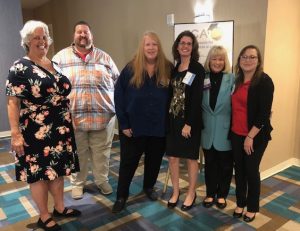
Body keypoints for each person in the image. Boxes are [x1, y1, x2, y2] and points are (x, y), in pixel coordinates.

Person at [6, 20, 81, 231]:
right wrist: (15, 134)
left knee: (57, 170)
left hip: (60, 127)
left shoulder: (53, 64)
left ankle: (59, 207)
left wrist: (70, 118)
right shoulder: (20, 67)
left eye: (44, 37)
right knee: (39, 173)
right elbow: (13, 102)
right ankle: (44, 215)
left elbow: (61, 96)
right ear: (27, 41)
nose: (41, 41)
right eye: (36, 37)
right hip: (35, 131)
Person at [53, 21, 119, 199]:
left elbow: (118, 84)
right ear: (74, 35)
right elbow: (51, 88)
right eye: (79, 32)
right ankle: (77, 184)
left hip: (103, 118)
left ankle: (101, 180)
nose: (83, 35)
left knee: (102, 154)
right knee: (78, 154)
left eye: (86, 32)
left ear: (91, 36)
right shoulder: (60, 58)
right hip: (74, 119)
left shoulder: (105, 58)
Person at [112, 31, 173, 213]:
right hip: (133, 128)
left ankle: (148, 187)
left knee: (154, 161)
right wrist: (123, 124)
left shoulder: (168, 68)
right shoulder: (130, 68)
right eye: (148, 44)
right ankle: (121, 195)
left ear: (159, 47)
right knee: (128, 163)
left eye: (154, 44)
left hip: (158, 126)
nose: (151, 48)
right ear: (142, 47)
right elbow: (119, 96)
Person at [231, 45, 274, 222]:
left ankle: (252, 207)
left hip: (255, 136)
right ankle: (240, 202)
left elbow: (264, 114)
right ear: (239, 60)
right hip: (235, 133)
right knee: (239, 171)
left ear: (258, 61)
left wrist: (250, 137)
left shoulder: (264, 81)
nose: (247, 60)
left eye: (252, 57)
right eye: (244, 57)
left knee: (251, 170)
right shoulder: (237, 80)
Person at [166, 31, 205, 211]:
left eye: (189, 43)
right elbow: (171, 95)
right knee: (173, 157)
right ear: (177, 46)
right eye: (182, 43)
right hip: (173, 120)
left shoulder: (197, 68)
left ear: (193, 47)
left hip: (190, 122)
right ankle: (175, 192)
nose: (185, 46)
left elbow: (197, 98)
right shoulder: (174, 69)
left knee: (190, 158)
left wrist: (189, 123)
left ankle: (191, 192)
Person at [201, 46, 235, 209]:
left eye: (221, 59)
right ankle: (210, 193)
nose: (217, 62)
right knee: (210, 164)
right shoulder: (203, 78)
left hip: (225, 129)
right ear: (209, 60)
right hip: (207, 130)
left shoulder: (232, 78)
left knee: (225, 166)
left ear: (225, 61)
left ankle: (222, 195)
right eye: (214, 58)